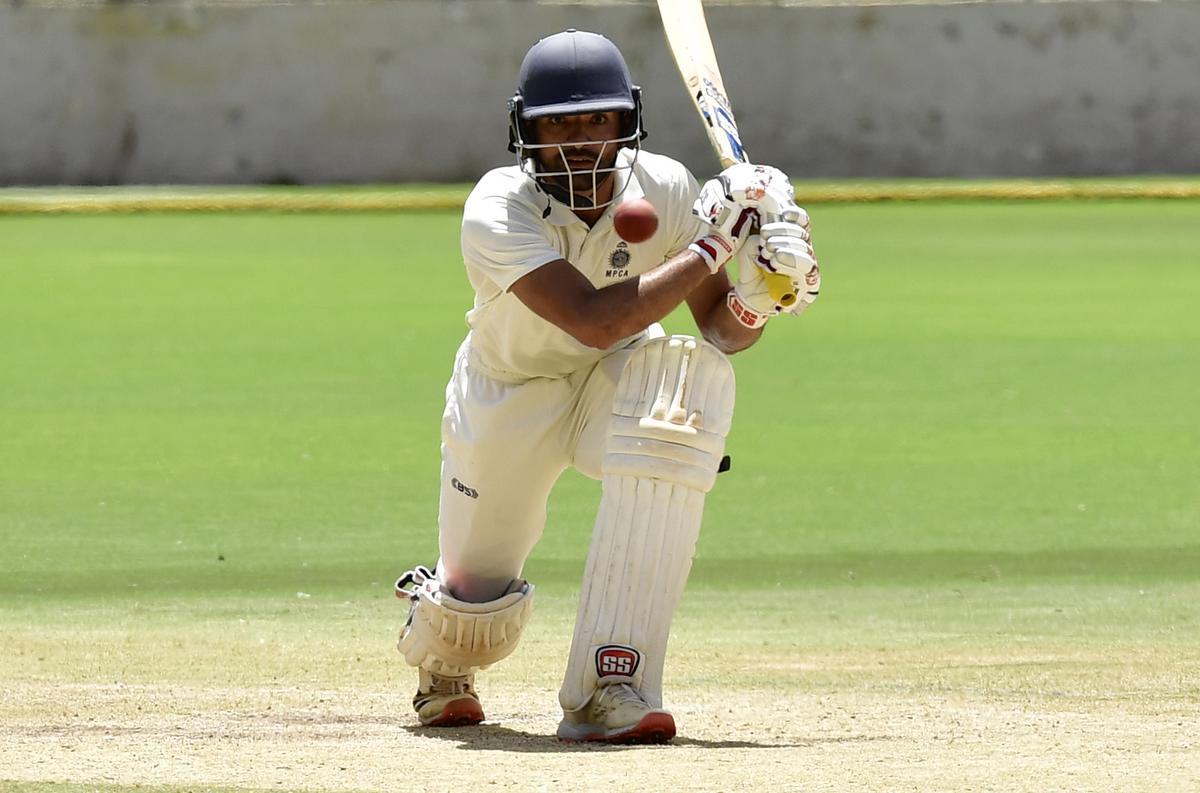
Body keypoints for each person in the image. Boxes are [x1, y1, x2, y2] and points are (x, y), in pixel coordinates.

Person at [394, 29, 820, 744]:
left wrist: (760, 294)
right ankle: (440, 658)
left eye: (597, 120)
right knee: (472, 616)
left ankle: (610, 683)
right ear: (525, 130)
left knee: (681, 398)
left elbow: (718, 331)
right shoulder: (498, 206)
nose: (579, 140)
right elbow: (591, 318)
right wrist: (715, 241)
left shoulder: (668, 185)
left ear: (626, 122)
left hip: (615, 372)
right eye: (558, 123)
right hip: (511, 390)